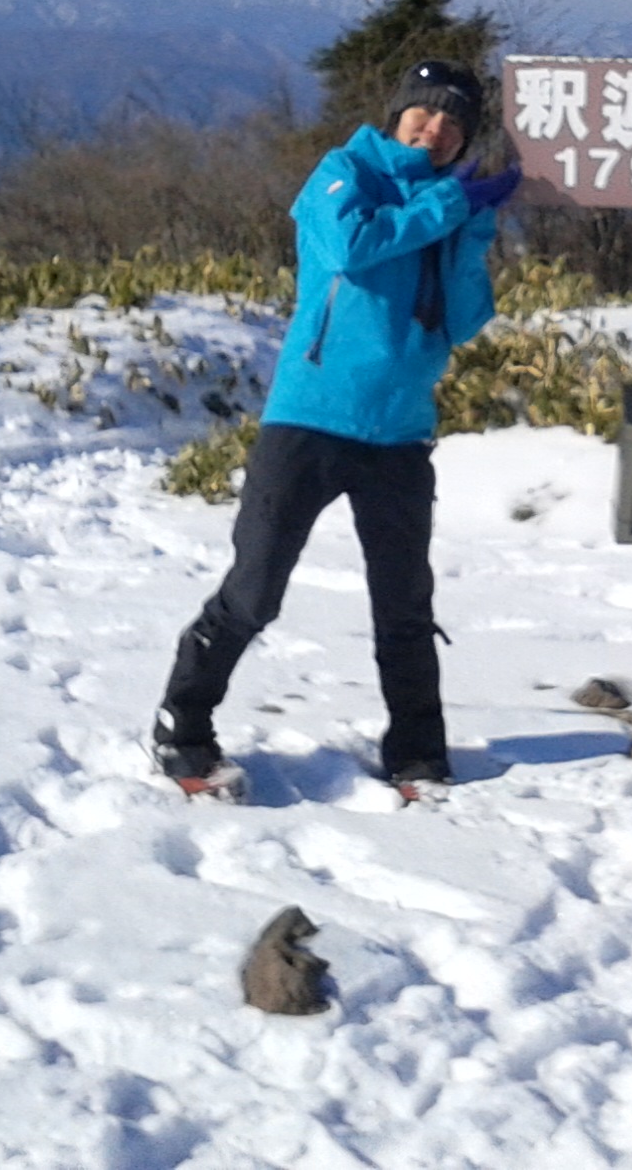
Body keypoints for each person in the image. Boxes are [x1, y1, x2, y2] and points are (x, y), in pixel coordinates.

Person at [153, 59, 521, 801]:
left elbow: (465, 318)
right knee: (254, 590)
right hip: (310, 419)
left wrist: (475, 229)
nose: (437, 128)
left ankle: (418, 754)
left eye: (453, 121)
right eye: (424, 112)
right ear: (398, 114)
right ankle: (180, 726)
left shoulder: (447, 204)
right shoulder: (343, 171)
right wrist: (450, 205)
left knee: (404, 605)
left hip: (399, 432)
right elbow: (353, 244)